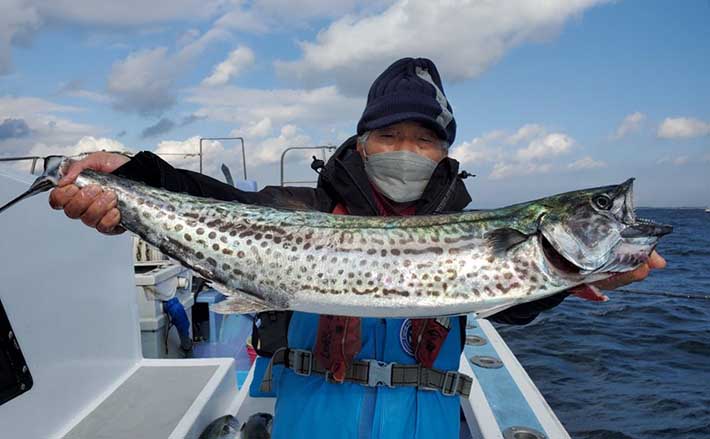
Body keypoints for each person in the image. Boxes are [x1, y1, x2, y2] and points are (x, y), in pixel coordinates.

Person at [49, 57, 666, 438]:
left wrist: (580, 279)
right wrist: (139, 178)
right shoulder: (304, 211)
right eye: (389, 134)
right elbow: (225, 207)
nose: (405, 148)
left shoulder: (473, 229)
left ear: (445, 154)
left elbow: (510, 302)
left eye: (423, 139)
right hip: (311, 427)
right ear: (362, 142)